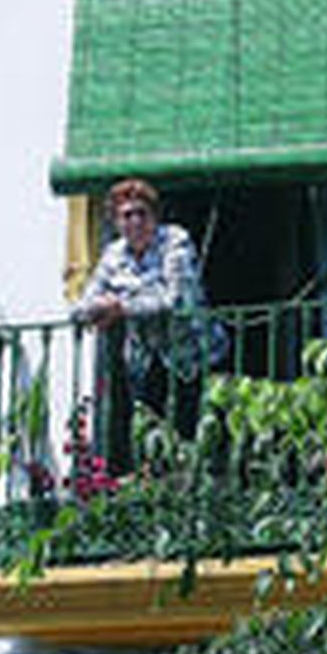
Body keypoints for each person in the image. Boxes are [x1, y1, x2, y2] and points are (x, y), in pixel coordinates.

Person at [72, 177, 214, 471]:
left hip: (192, 357)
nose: (135, 221)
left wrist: (120, 306)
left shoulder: (176, 242)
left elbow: (177, 300)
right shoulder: (114, 254)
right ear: (116, 221)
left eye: (142, 213)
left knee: (193, 434)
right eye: (127, 215)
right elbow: (83, 306)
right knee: (149, 439)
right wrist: (99, 308)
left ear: (154, 216)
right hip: (145, 362)